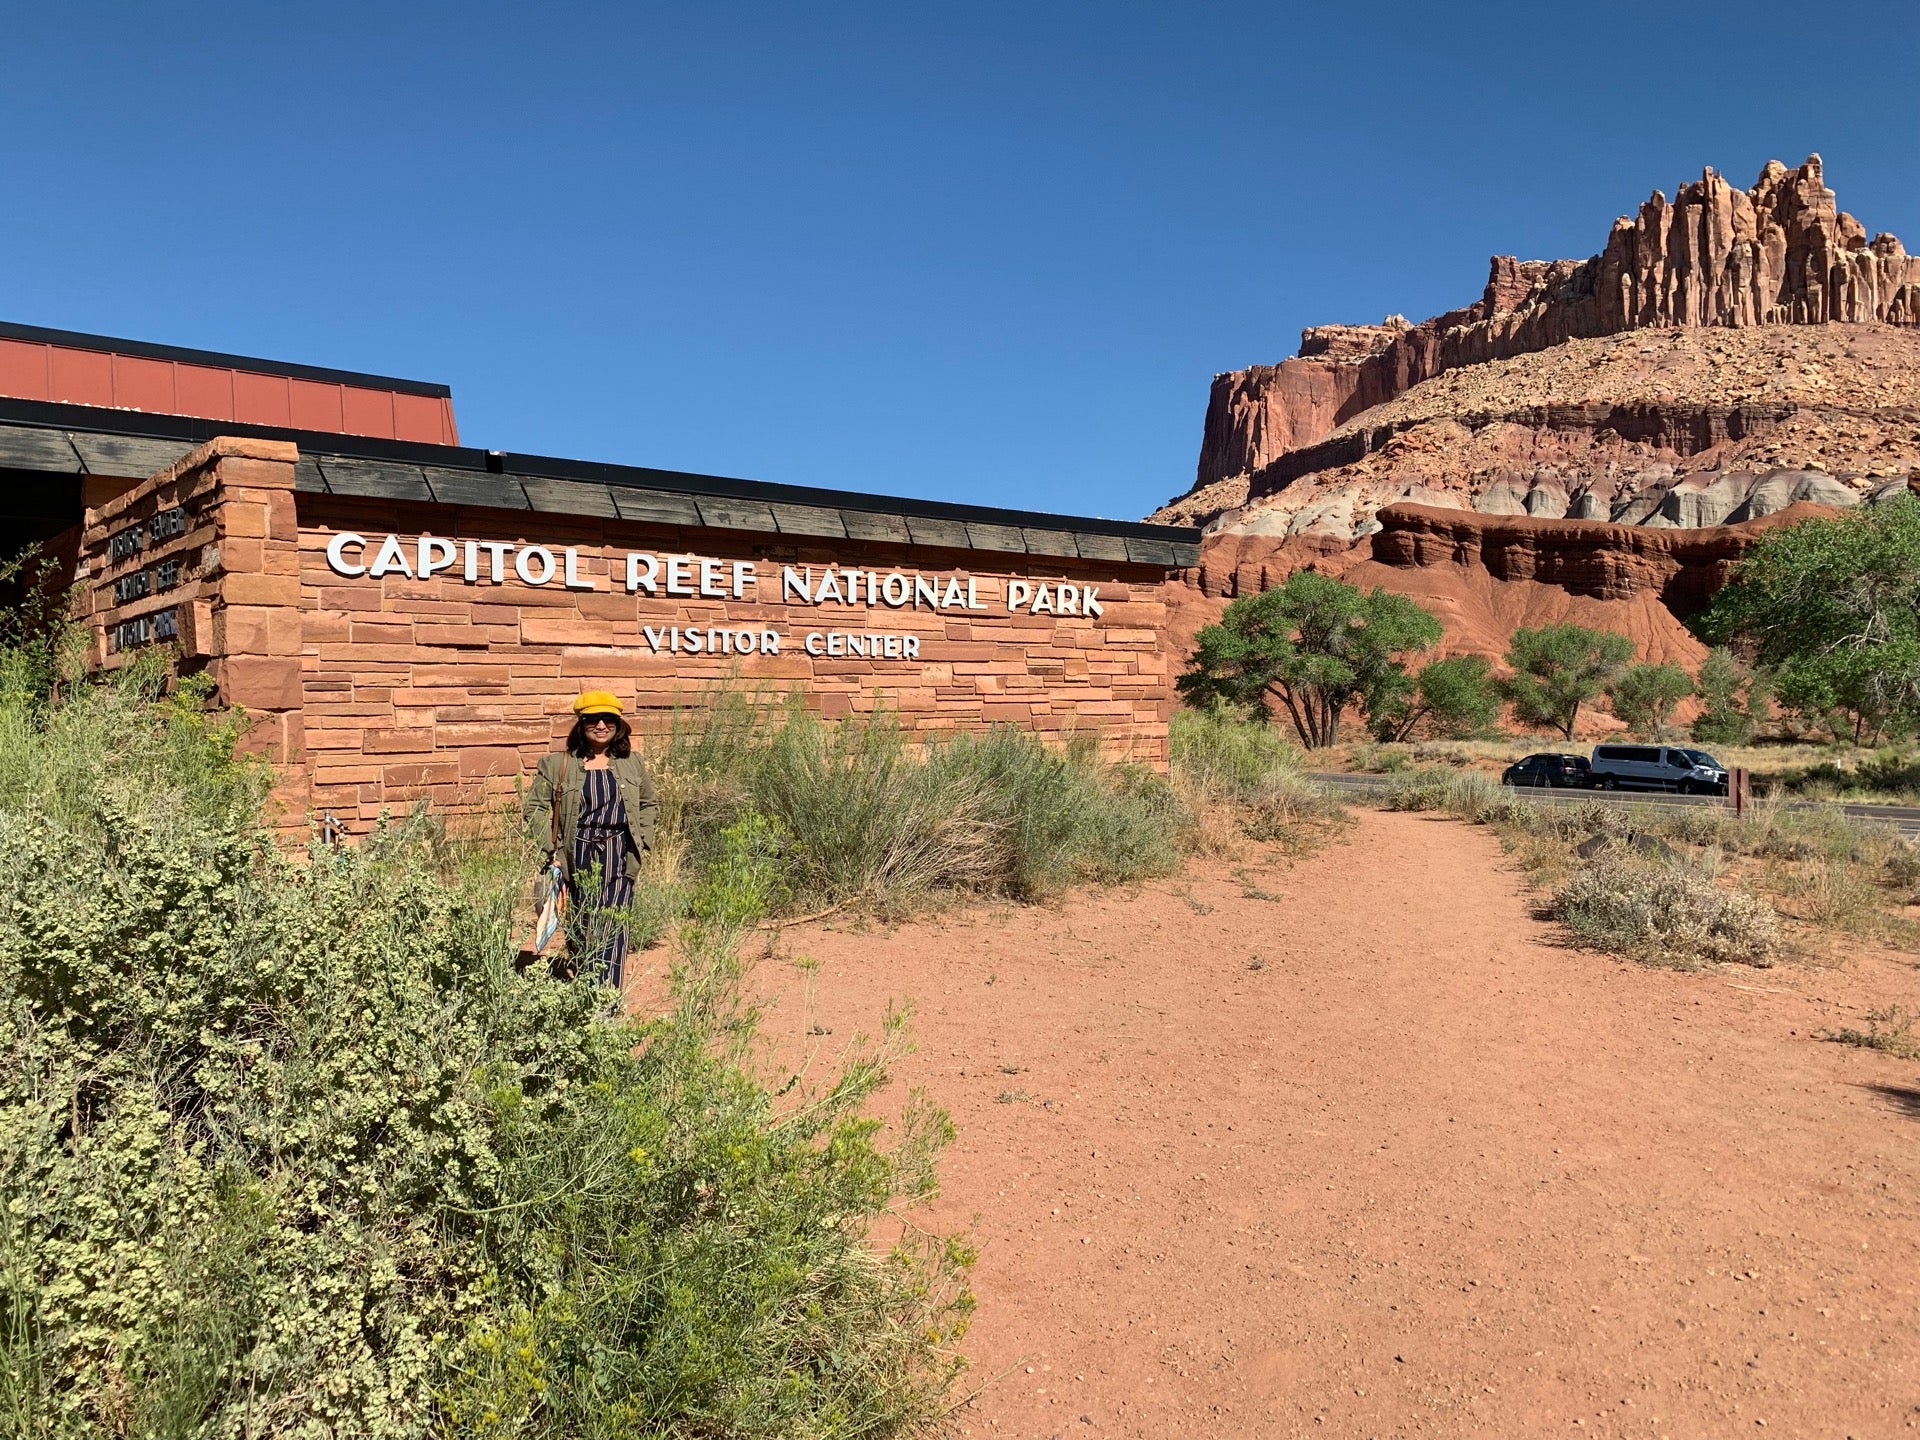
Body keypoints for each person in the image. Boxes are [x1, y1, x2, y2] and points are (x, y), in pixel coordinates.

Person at [523, 691, 659, 989]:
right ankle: (587, 988)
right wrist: (551, 847)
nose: (601, 725)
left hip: (619, 851)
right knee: (582, 923)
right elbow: (533, 807)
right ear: (580, 724)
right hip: (577, 851)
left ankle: (607, 998)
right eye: (592, 720)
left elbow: (649, 803)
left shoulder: (632, 763)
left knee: (614, 924)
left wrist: (643, 840)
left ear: (618, 724)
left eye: (608, 719)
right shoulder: (557, 764)